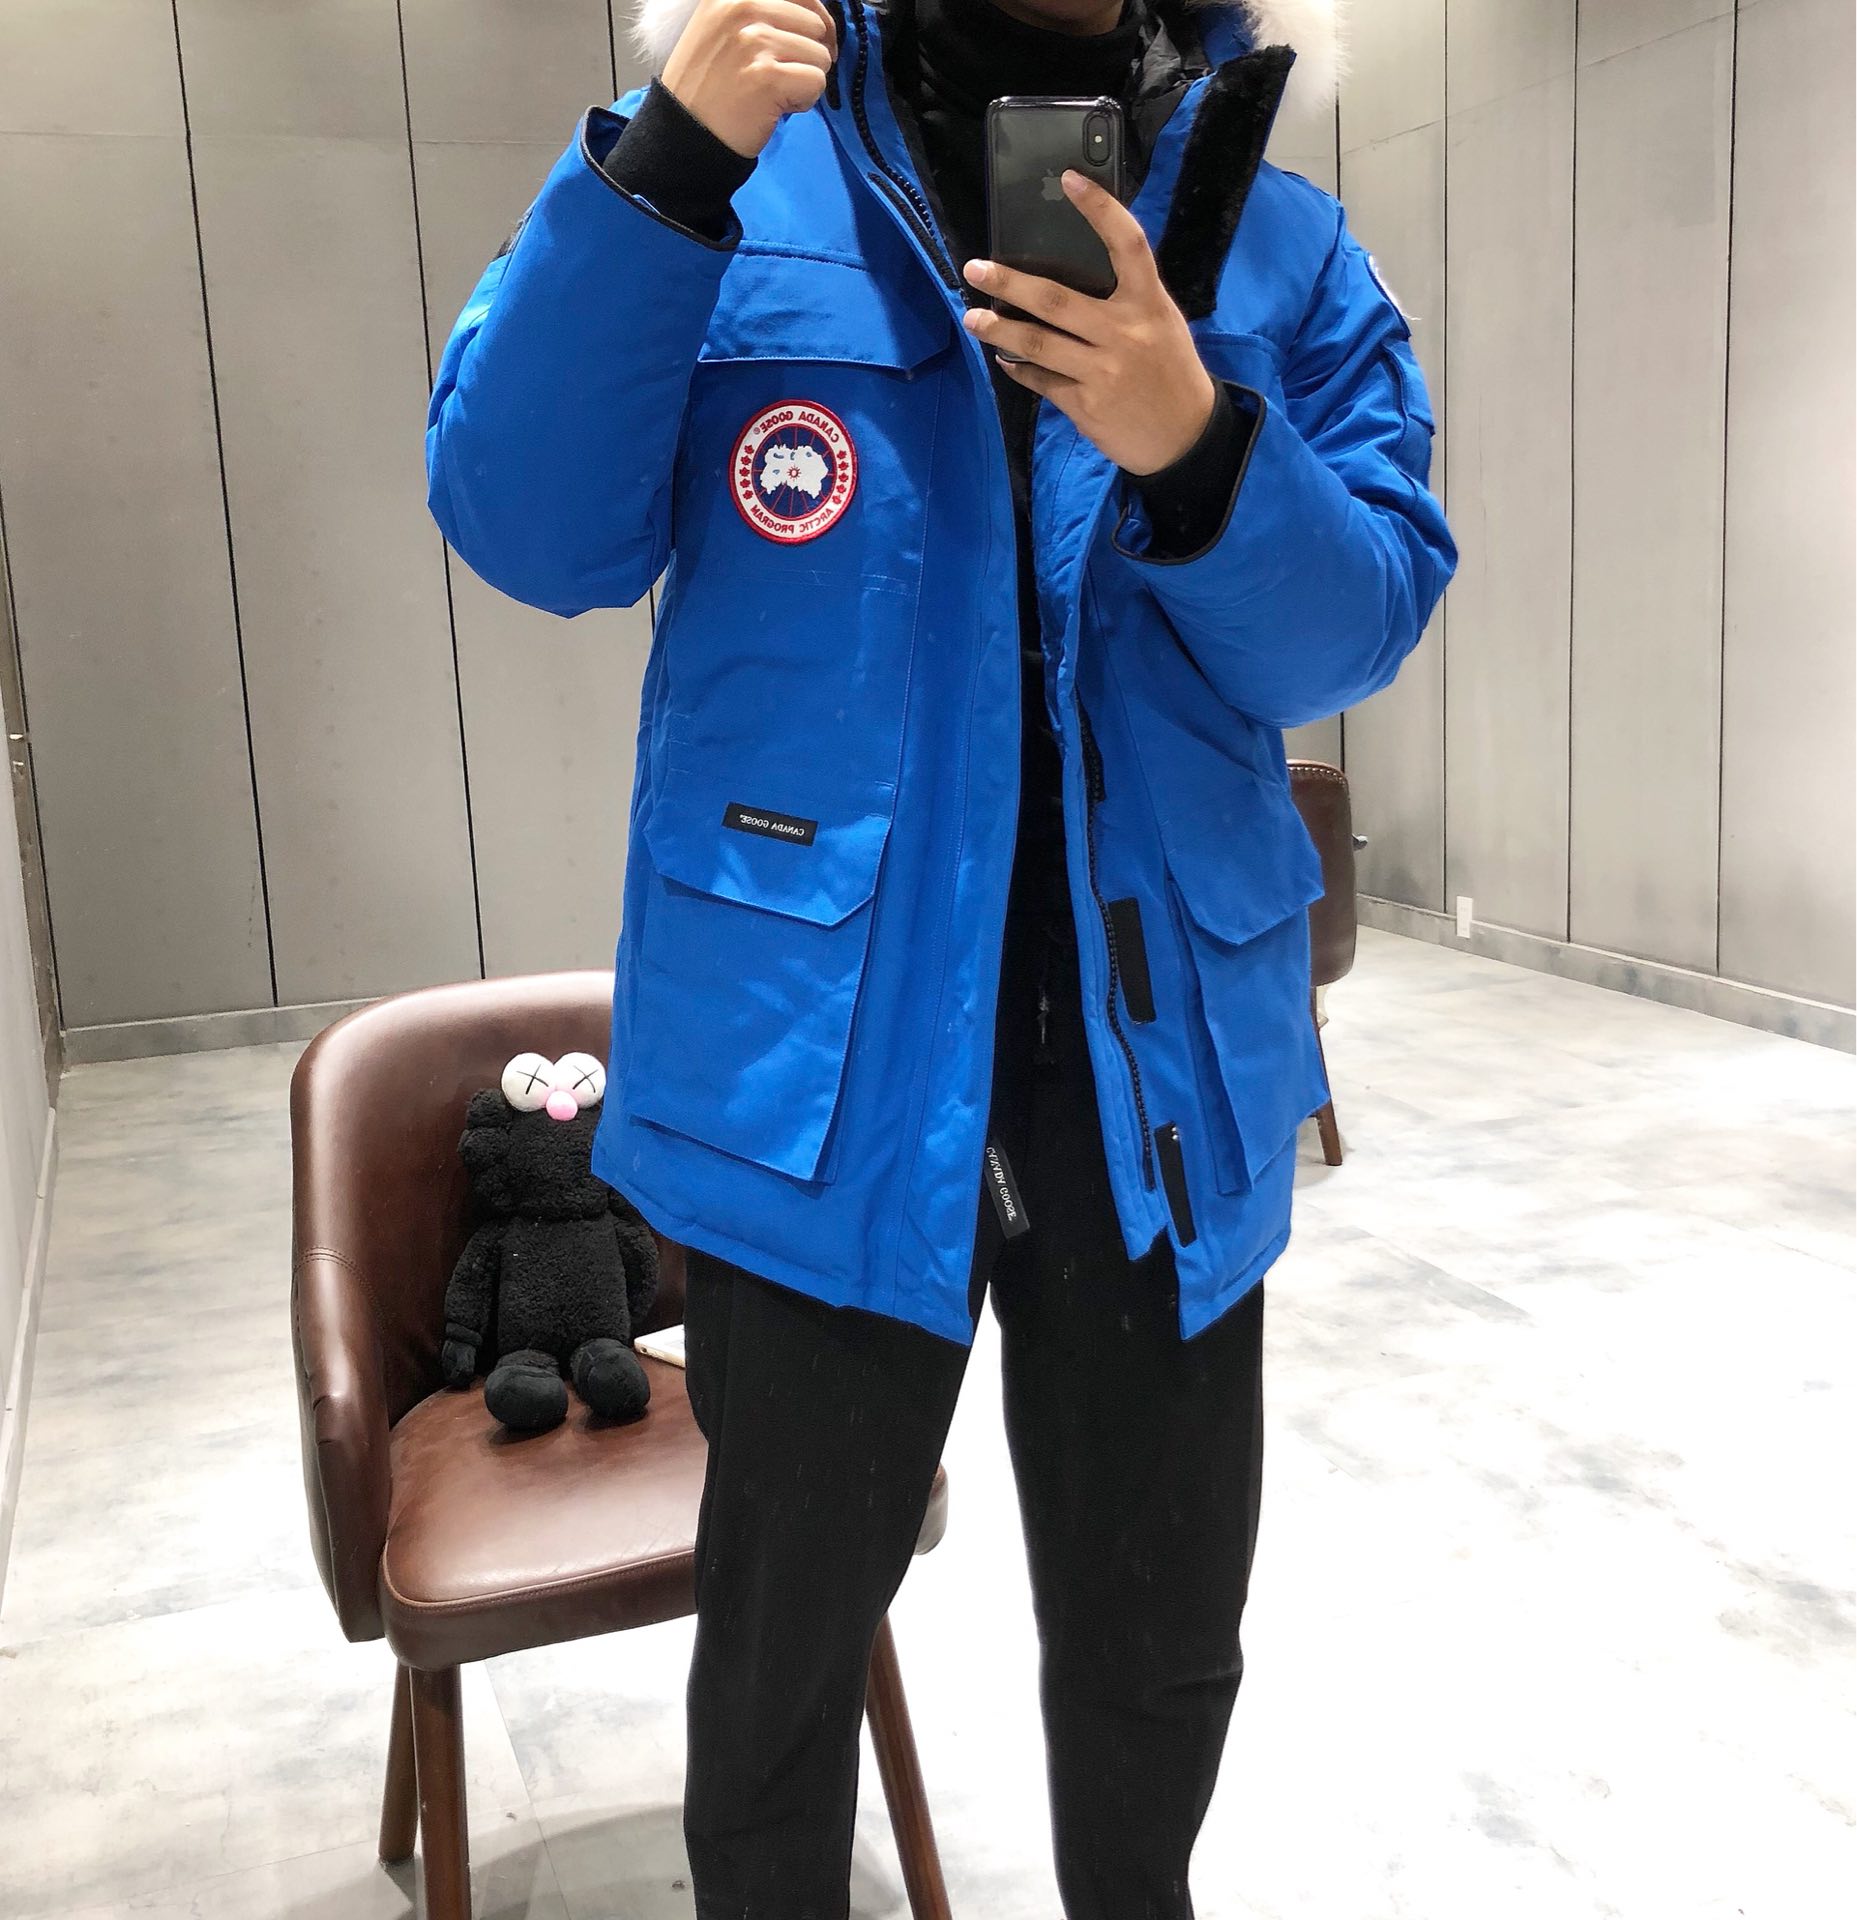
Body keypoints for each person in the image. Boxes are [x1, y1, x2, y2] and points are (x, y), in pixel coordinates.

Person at [425, 0, 1454, 1910]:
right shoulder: (731, 169)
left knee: (1161, 1644)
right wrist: (665, 169)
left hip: (1158, 1079)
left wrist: (1197, 446)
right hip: (817, 1073)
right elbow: (526, 525)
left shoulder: (1278, 240)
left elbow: (1357, 624)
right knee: (785, 1655)